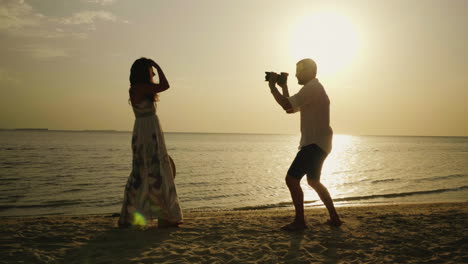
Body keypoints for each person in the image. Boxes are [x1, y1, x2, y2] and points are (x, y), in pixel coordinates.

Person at [267, 58, 343, 231]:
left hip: (314, 142)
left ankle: (300, 222)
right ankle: (334, 218)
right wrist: (283, 87)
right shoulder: (312, 89)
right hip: (320, 142)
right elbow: (290, 109)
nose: (296, 74)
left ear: (309, 71)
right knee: (313, 181)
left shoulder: (312, 88)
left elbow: (286, 104)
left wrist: (272, 87)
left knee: (292, 179)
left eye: (299, 70)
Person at [118, 57, 183, 228]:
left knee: (154, 170)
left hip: (149, 130)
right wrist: (157, 65)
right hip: (146, 132)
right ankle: (147, 216)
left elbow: (162, 86)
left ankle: (163, 215)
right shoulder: (138, 88)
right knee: (149, 171)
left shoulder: (141, 88)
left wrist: (153, 66)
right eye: (150, 71)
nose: (153, 73)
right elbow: (165, 85)